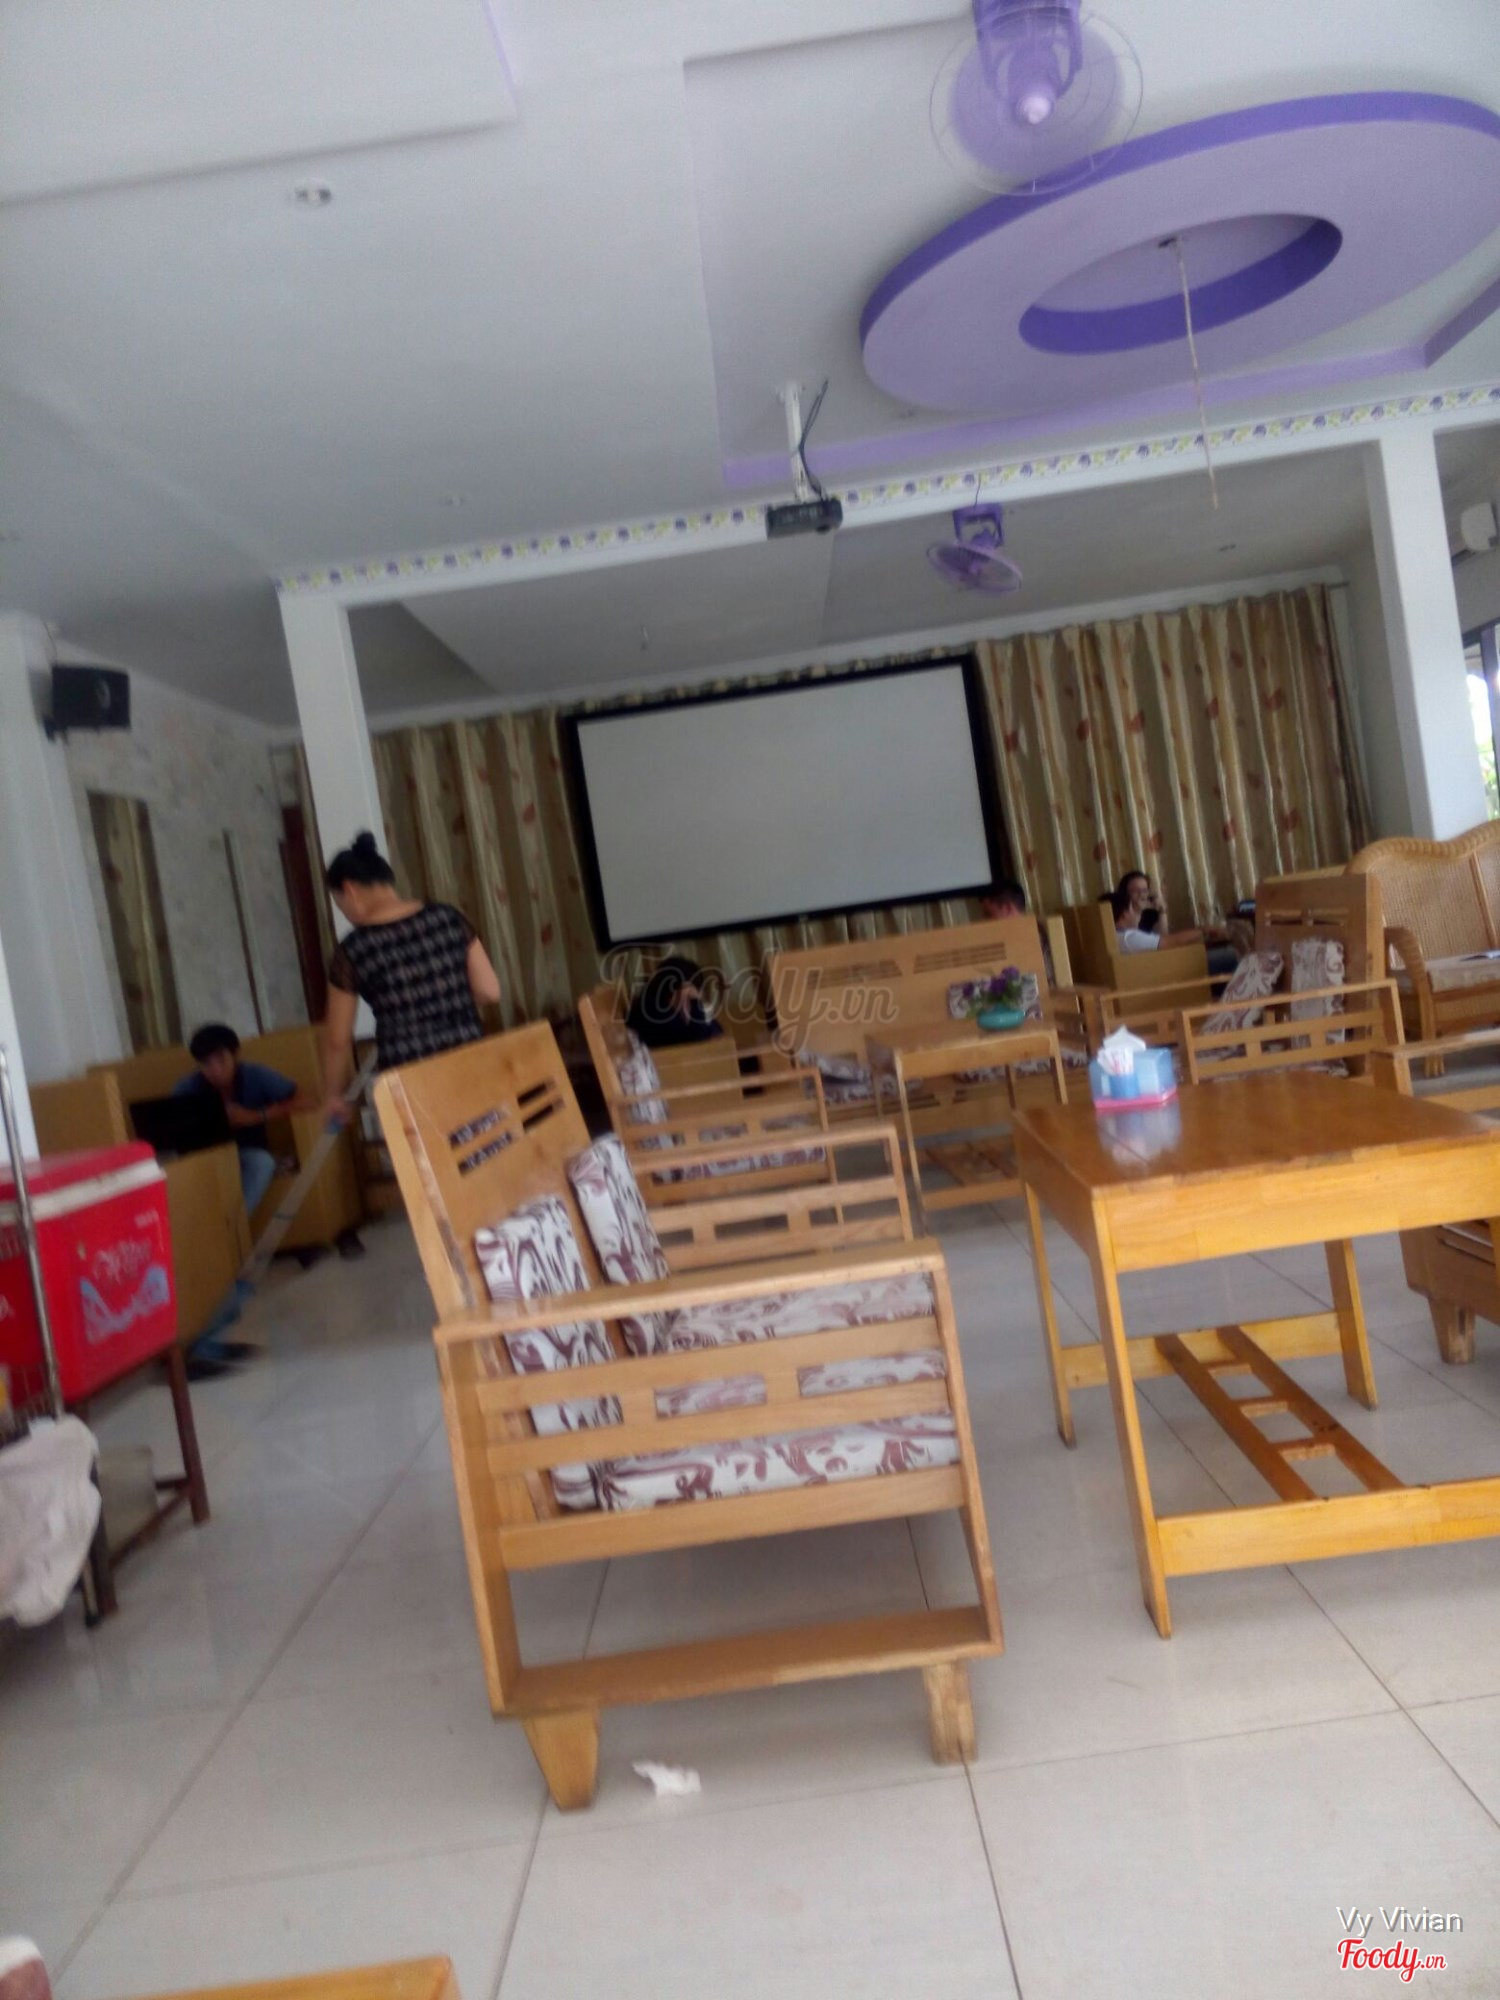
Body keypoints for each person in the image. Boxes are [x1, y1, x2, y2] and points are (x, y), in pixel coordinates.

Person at [320, 833, 502, 1113]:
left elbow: (337, 1039)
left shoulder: (354, 950)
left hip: (410, 1080)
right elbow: (490, 991)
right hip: (470, 1063)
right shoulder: (447, 918)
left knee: (426, 1143)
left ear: (350, 889)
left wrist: (333, 1095)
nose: (345, 914)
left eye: (339, 903)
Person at [174, 1024, 317, 1376]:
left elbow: (307, 1101)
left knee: (262, 1162)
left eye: (221, 1060)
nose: (215, 1070)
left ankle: (232, 1230)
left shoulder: (255, 1077)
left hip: (247, 1156)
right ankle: (205, 1336)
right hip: (206, 1164)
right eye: (206, 1064)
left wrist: (257, 1116)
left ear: (234, 1055)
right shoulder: (187, 1090)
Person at [1112, 870, 1239, 975]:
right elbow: (1170, 942)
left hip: (1164, 963)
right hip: (1164, 970)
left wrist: (1162, 911)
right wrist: (1205, 930)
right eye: (1135, 891)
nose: (1142, 895)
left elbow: (1163, 941)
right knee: (1234, 955)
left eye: (1145, 890)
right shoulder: (1128, 936)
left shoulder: (1146, 916)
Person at [626, 954, 723, 1049]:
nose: (698, 997)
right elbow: (697, 1044)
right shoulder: (655, 1013)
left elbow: (717, 1031)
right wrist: (695, 1004)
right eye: (691, 995)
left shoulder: (658, 1006)